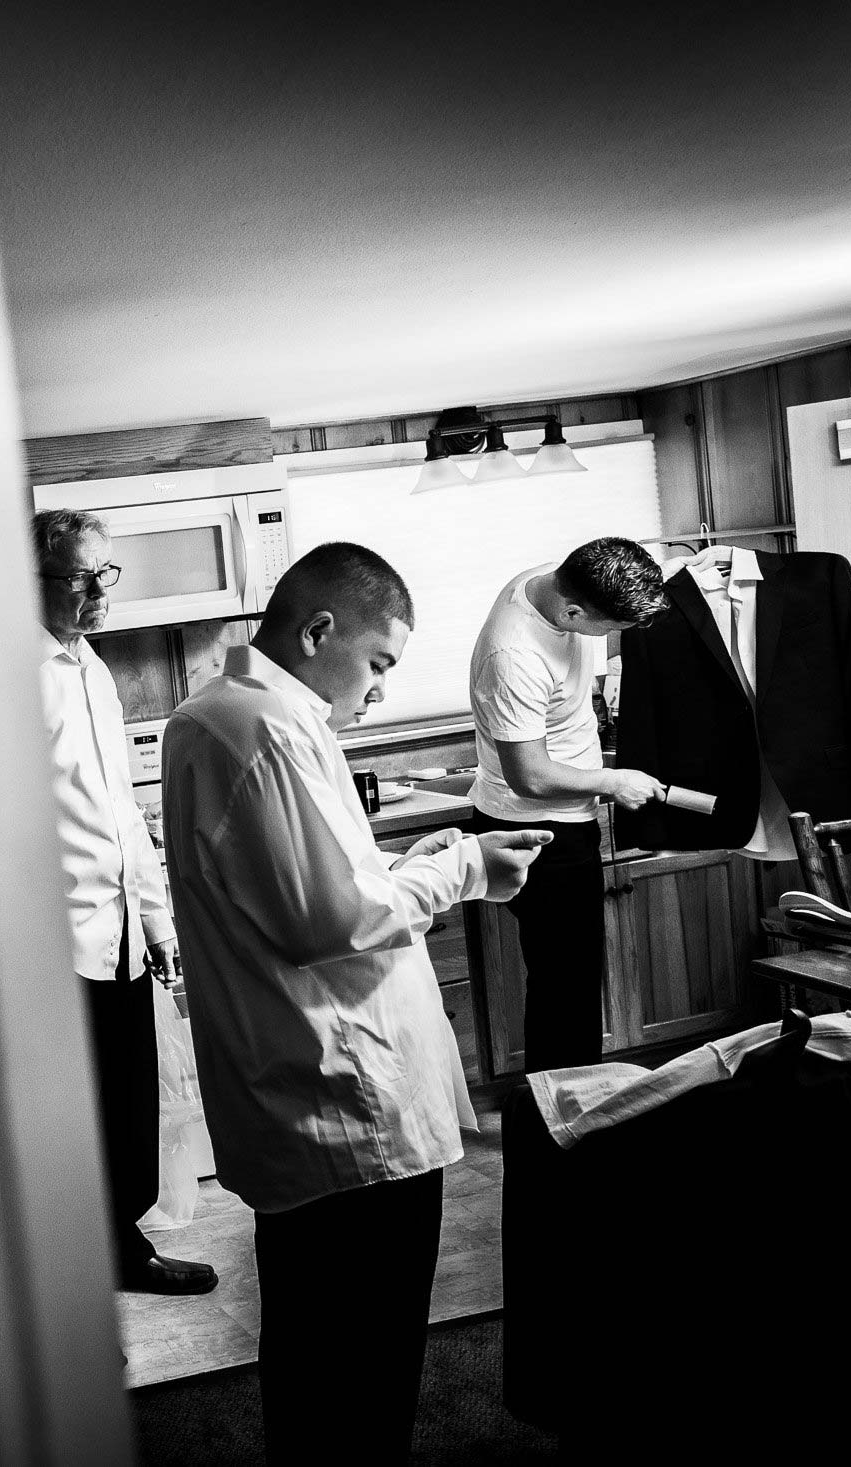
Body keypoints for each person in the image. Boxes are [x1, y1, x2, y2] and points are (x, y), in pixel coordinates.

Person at [162, 542, 550, 1463]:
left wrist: (416, 868)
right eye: (378, 664)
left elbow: (327, 886)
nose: (379, 690)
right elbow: (330, 916)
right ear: (318, 628)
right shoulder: (261, 729)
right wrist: (463, 861)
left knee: (318, 1348)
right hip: (345, 1106)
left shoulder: (228, 719)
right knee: (361, 1360)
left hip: (314, 1093)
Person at [31, 509, 216, 1296]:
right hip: (55, 935)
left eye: (106, 572)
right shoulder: (10, 676)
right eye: (80, 576)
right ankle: (88, 1262)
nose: (99, 590)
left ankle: (116, 1246)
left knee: (128, 1105)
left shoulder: (95, 670)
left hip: (120, 929)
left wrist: (159, 918)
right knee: (74, 1120)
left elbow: (120, 810)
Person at [467, 538, 668, 1071]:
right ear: (574, 612)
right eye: (611, 628)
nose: (615, 638)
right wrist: (612, 782)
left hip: (565, 818)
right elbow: (529, 776)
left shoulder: (558, 579)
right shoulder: (513, 654)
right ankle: (563, 1119)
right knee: (566, 989)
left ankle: (572, 1106)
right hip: (538, 831)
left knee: (571, 980)